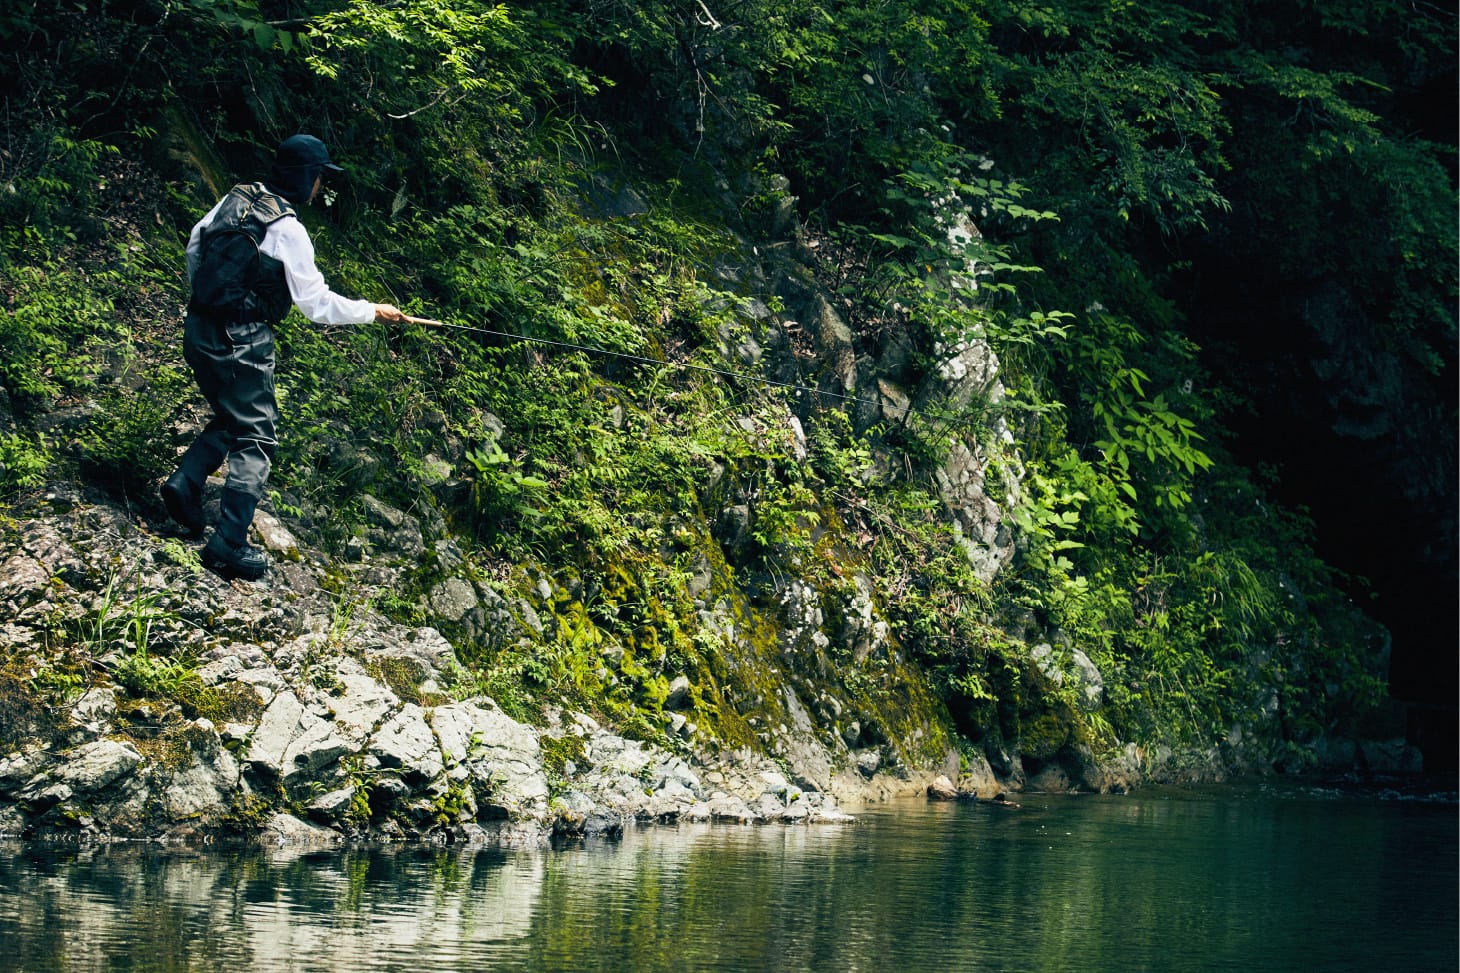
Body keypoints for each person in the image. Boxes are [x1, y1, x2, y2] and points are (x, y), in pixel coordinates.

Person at [161, 133, 406, 580]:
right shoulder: (289, 229)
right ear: (305, 176)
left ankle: (185, 483)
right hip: (242, 339)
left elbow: (194, 248)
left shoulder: (235, 200)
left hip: (198, 326)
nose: (319, 190)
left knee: (235, 414)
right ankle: (227, 544)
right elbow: (316, 305)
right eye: (319, 179)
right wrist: (373, 311)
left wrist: (209, 304)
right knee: (257, 435)